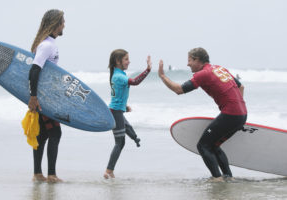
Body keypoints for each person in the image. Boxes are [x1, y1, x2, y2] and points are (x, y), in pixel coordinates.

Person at [158, 47, 247, 181]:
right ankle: (229, 177)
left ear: (197, 60)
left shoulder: (203, 74)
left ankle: (217, 179)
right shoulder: (219, 68)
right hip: (242, 114)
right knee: (214, 145)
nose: (187, 64)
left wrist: (163, 76)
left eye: (189, 60)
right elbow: (241, 87)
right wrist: (237, 108)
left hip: (231, 114)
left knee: (203, 145)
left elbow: (179, 90)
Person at [28, 9, 65, 183]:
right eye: (62, 21)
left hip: (44, 96)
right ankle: (51, 175)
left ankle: (37, 174)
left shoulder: (47, 43)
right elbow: (35, 70)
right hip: (43, 98)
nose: (64, 25)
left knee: (42, 134)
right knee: (55, 133)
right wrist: (34, 97)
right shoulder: (46, 45)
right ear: (55, 24)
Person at [104, 49, 152, 179]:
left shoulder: (117, 74)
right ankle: (108, 171)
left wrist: (124, 106)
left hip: (117, 111)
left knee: (122, 140)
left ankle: (110, 170)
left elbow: (118, 94)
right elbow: (135, 82)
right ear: (118, 61)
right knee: (119, 143)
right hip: (115, 113)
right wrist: (147, 70)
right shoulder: (119, 76)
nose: (129, 61)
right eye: (126, 59)